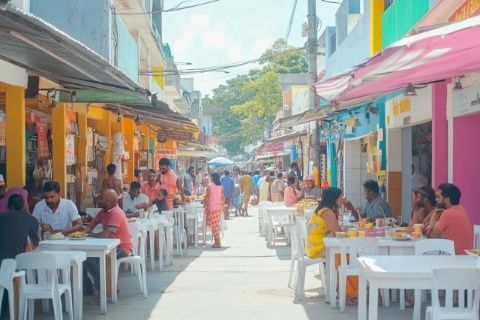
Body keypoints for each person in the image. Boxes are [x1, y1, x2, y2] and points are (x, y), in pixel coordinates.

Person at [84, 189, 133, 295]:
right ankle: (92, 287)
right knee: (84, 257)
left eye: (102, 199)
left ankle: (105, 285)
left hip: (121, 248)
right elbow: (92, 225)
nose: (99, 200)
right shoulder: (103, 212)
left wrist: (89, 235)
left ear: (108, 202)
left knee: (90, 259)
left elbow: (105, 235)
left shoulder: (116, 213)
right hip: (107, 246)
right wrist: (85, 232)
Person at [431, 183, 473, 255]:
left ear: (447, 200)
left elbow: (432, 236)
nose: (436, 200)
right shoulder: (461, 209)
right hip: (466, 257)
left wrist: (434, 215)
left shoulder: (448, 213)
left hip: (455, 258)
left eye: (438, 197)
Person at [0, 194, 40, 261]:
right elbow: (35, 244)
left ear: (9, 206)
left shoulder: (1, 217)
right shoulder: (32, 220)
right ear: (23, 206)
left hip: (2, 263)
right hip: (22, 263)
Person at [203, 172, 225, 248]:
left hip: (212, 208)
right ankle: (216, 241)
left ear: (212, 178)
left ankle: (218, 242)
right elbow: (223, 198)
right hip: (218, 207)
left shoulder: (209, 186)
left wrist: (204, 203)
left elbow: (207, 196)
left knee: (214, 226)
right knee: (216, 225)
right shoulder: (221, 186)